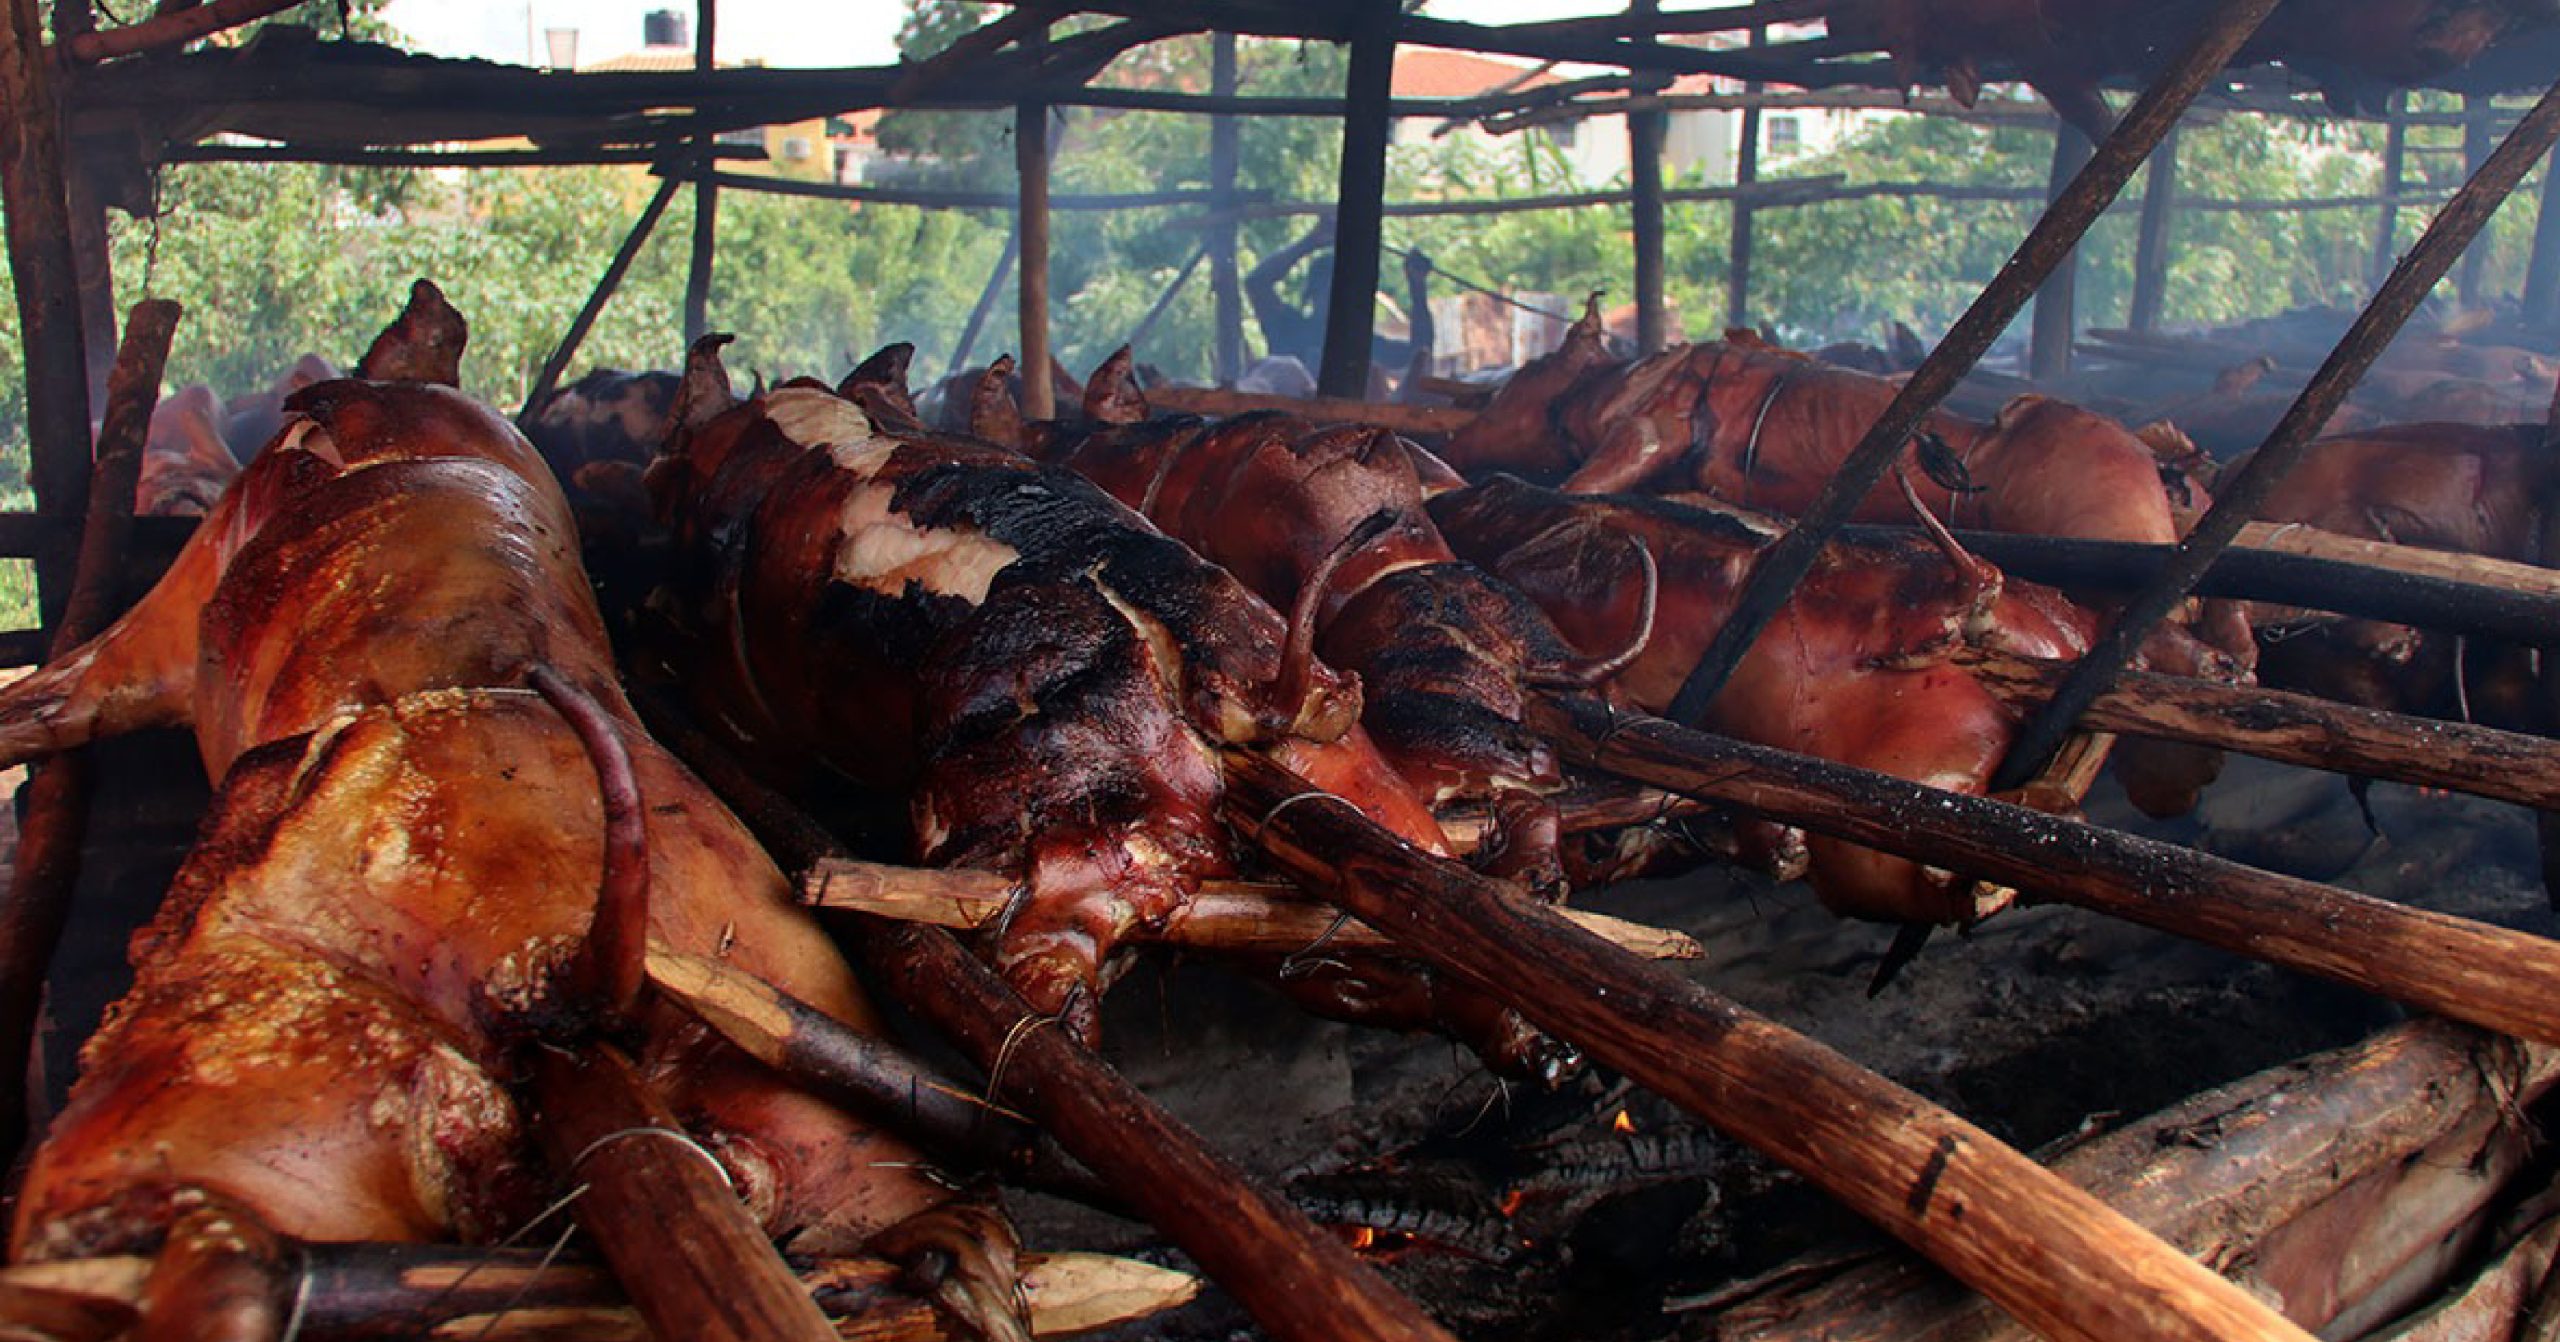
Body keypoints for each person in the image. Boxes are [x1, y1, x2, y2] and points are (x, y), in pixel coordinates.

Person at [1244, 218, 1435, 387]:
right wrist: (1310, 242)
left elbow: (1419, 354)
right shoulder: (1288, 328)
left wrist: (1417, 287)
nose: (1339, 302)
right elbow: (1256, 283)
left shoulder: (1368, 345)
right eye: (1331, 291)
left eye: (1348, 293)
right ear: (1313, 294)